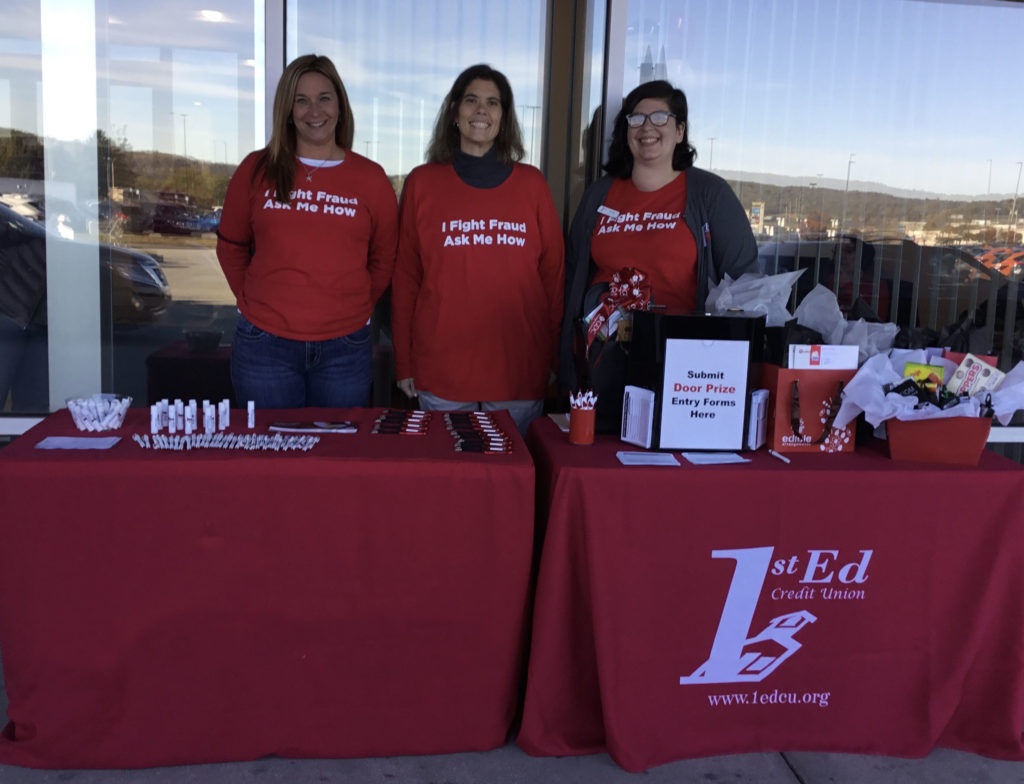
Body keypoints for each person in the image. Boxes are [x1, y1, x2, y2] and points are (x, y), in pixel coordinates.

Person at [560, 79, 758, 430]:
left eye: (660, 117)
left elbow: (746, 283)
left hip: (683, 368)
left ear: (680, 130)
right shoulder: (599, 195)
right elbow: (573, 273)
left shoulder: (709, 194)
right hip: (601, 361)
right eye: (636, 119)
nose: (647, 127)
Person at [391, 64, 564, 435]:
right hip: (442, 371)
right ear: (455, 112)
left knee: (510, 486)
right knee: (449, 485)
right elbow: (405, 278)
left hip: (518, 369)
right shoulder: (423, 183)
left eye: (492, 102)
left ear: (504, 117)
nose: (481, 110)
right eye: (471, 100)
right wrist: (404, 363)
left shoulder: (532, 185)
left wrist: (552, 357)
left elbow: (554, 278)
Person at [217, 54, 397, 408]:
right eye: (301, 100)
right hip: (264, 346)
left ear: (341, 107)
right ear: (288, 110)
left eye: (324, 98)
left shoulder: (371, 179)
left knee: (336, 458)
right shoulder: (256, 169)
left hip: (344, 348)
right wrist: (258, 302)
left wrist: (354, 306)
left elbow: (384, 258)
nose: (314, 110)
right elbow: (230, 247)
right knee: (271, 458)